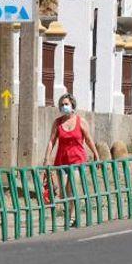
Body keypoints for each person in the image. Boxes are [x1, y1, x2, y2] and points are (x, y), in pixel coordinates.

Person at [43, 94, 100, 226]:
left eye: (66, 104)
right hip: (61, 161)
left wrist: (96, 154)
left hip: (77, 160)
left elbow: (89, 139)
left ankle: (72, 216)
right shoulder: (58, 123)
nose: (64, 107)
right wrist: (47, 158)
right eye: (62, 104)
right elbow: (52, 141)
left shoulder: (81, 121)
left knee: (72, 188)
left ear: (73, 106)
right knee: (63, 191)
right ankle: (69, 213)